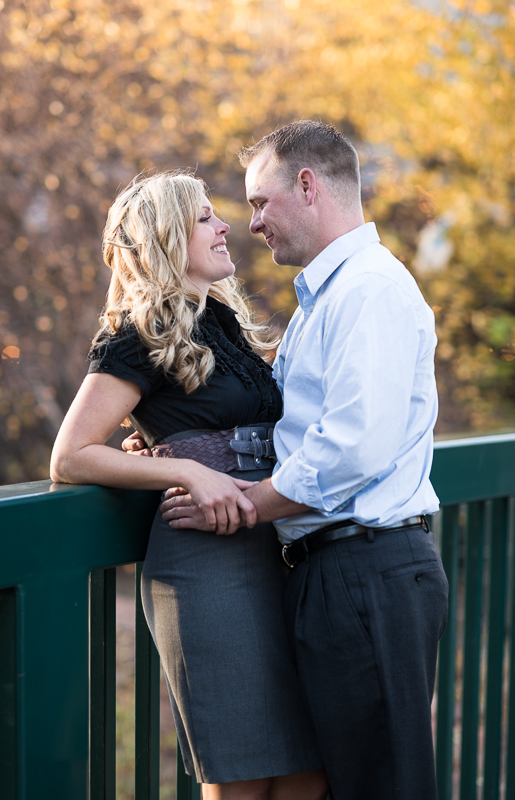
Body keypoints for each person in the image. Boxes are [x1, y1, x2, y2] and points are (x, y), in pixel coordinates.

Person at [155, 121, 450, 800]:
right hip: (338, 572)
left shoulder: (367, 290)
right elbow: (283, 420)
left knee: (382, 786)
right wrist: (177, 444)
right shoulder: (327, 298)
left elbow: (354, 447)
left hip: (365, 569)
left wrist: (242, 507)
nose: (251, 222)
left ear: (309, 186)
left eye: (260, 202)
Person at [50, 171, 328, 800]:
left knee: (310, 769)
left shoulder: (223, 327)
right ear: (166, 237)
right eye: (205, 218)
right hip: (209, 563)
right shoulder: (134, 336)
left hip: (279, 544)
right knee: (243, 771)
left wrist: (170, 445)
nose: (226, 225)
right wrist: (181, 466)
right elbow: (71, 455)